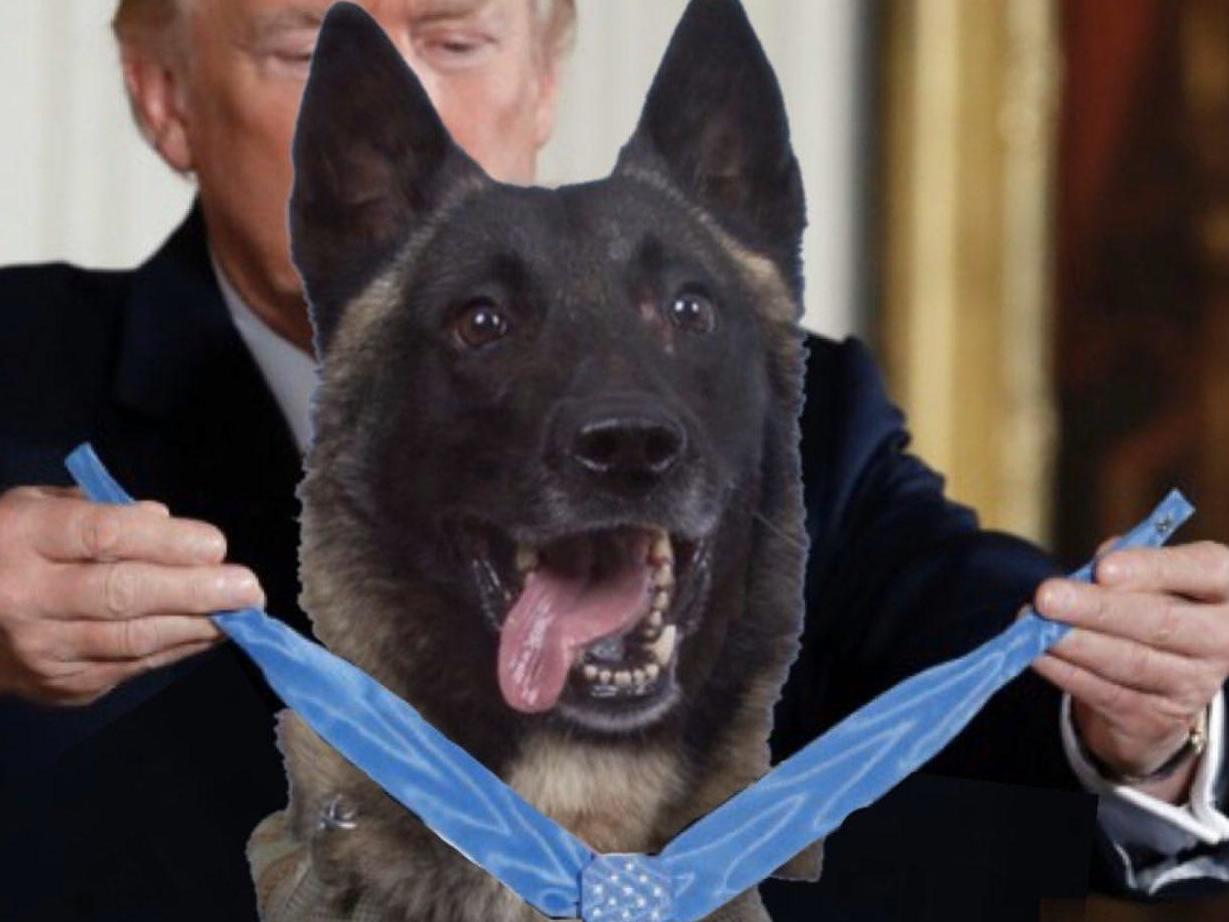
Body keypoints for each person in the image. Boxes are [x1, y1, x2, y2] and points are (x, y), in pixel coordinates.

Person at [1, 0, 1228, 918]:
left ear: (544, 80)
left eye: (457, 37)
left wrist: (1145, 725)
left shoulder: (776, 411)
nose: (396, 107)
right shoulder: (19, 384)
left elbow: (999, 652)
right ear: (163, 94)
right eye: (305, 46)